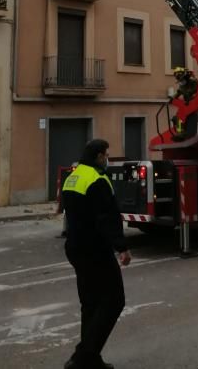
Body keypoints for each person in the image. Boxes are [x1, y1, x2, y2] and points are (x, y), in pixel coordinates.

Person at [62, 139, 131, 369]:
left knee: (90, 304)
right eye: (106, 155)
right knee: (114, 300)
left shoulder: (72, 177)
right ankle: (83, 357)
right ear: (99, 157)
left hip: (75, 248)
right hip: (95, 250)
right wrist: (121, 247)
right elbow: (106, 218)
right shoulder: (98, 180)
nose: (107, 159)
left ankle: (91, 360)